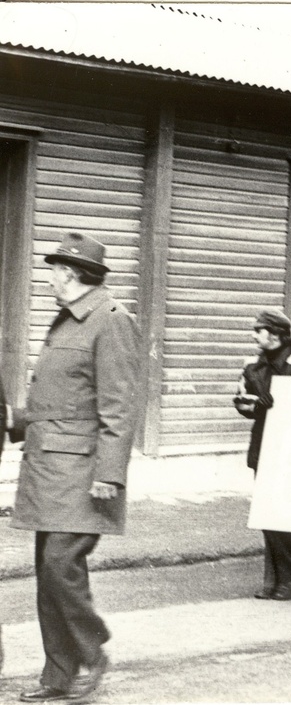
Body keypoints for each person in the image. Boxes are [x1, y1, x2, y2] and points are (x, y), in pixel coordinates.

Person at [6, 233, 139, 703]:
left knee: (61, 565)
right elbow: (62, 400)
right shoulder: (68, 322)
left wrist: (110, 473)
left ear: (71, 273)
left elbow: (119, 407)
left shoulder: (110, 321)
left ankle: (93, 652)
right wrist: (14, 421)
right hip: (48, 469)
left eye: (54, 269)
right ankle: (59, 676)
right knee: (49, 571)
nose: (50, 277)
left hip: (84, 474)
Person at [234, 310, 291, 601]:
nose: (254, 335)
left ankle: (290, 575)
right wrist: (258, 407)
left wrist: (280, 406)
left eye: (259, 330)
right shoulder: (251, 365)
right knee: (266, 514)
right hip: (262, 444)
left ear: (275, 333)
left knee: (278, 513)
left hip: (288, 447)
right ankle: (274, 579)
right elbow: (241, 403)